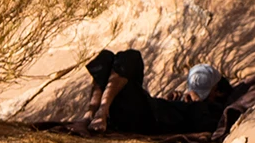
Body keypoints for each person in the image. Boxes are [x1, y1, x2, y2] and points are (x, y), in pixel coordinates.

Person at [74, 50, 231, 136]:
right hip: (146, 108)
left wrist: (197, 105)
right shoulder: (188, 102)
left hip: (146, 117)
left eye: (202, 93)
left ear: (218, 92)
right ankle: (90, 114)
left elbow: (205, 126)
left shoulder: (213, 111)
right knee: (106, 57)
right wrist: (171, 101)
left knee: (132, 57)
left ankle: (101, 111)